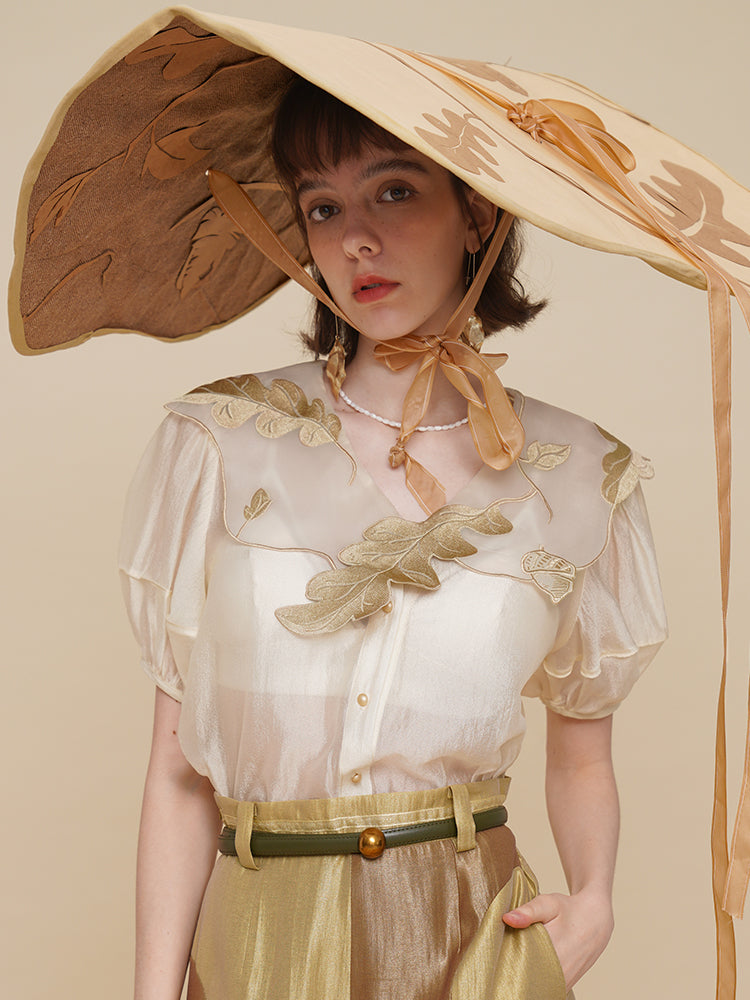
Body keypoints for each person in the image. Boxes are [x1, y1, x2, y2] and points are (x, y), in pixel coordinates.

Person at [118, 76, 666, 1000]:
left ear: (479, 212)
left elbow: (582, 754)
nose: (356, 240)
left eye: (395, 190)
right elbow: (179, 774)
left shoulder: (581, 472)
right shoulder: (221, 442)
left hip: (473, 940)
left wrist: (595, 902)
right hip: (260, 939)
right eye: (322, 207)